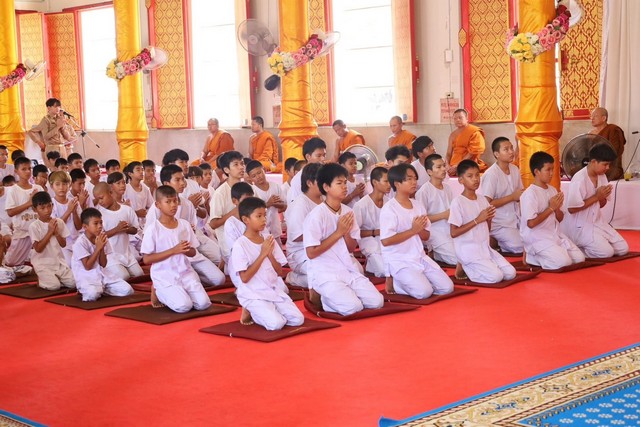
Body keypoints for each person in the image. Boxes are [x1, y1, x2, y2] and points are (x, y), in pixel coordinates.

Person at [303, 163, 384, 315]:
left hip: (346, 267)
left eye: (345, 183)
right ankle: (325, 299)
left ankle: (339, 295)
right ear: (326, 187)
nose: (344, 187)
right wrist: (338, 232)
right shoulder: (316, 216)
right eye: (339, 183)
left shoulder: (348, 212)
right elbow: (311, 253)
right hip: (325, 272)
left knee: (377, 302)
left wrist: (345, 232)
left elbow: (351, 248)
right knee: (352, 307)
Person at [380, 164, 453, 298]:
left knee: (447, 288)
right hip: (400, 260)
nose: (414, 182)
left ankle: (416, 281)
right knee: (424, 292)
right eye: (409, 179)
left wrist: (418, 230)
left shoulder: (418, 205)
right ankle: (398, 283)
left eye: (415, 178)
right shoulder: (389, 208)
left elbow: (426, 236)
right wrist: (413, 230)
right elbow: (386, 241)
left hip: (419, 257)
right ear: (397, 183)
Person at [231, 197, 304, 330]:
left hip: (272, 289)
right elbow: (245, 278)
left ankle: (268, 309)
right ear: (246, 219)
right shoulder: (240, 244)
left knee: (297, 319)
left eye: (264, 215)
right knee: (276, 324)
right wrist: (263, 254)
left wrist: (270, 255)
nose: (264, 219)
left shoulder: (268, 239)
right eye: (258, 216)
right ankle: (250, 309)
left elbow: (279, 272)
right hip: (253, 293)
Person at [146, 165, 225, 287]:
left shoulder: (187, 204)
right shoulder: (156, 208)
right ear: (166, 183)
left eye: (183, 179)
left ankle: (194, 277)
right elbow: (149, 235)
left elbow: (194, 227)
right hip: (169, 254)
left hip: (190, 249)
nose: (183, 183)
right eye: (177, 180)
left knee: (219, 279)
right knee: (189, 282)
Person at [141, 185, 212, 313]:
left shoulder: (184, 225)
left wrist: (186, 250)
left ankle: (179, 293)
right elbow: (146, 259)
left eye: (175, 201)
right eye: (168, 202)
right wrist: (174, 250)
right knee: (184, 306)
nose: (173, 205)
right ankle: (158, 290)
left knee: (204, 304)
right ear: (158, 205)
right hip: (165, 275)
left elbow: (193, 252)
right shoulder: (153, 229)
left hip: (185, 272)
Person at [448, 160, 516, 283]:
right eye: (470, 176)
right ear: (461, 180)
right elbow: (453, 233)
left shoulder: (482, 200)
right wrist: (477, 220)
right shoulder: (457, 202)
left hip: (484, 249)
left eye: (477, 175)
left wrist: (488, 219)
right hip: (468, 250)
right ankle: (464, 265)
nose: (475, 179)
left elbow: (486, 229)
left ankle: (471, 266)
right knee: (496, 277)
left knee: (510, 273)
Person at [561, 144, 629, 258]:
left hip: (597, 222)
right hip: (580, 226)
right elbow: (572, 209)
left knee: (623, 249)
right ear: (593, 162)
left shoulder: (602, 176)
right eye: (605, 164)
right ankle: (577, 251)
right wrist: (597, 197)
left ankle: (588, 246)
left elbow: (601, 205)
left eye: (609, 164)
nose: (607, 168)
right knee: (606, 253)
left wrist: (602, 197)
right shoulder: (579, 179)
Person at [520, 152, 585, 269]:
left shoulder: (553, 190)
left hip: (554, 234)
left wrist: (556, 209)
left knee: (579, 258)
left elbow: (559, 218)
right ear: (537, 172)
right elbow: (531, 223)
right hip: (537, 237)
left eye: (552, 169)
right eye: (548, 170)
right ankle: (532, 257)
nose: (551, 173)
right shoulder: (529, 194)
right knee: (563, 262)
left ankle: (548, 255)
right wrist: (551, 208)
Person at [72, 208, 134, 301]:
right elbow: (87, 267)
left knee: (128, 290)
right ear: (85, 227)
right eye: (96, 223)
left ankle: (102, 289)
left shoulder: (102, 238)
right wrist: (98, 248)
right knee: (92, 295)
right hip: (86, 276)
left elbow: (103, 264)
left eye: (101, 222)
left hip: (101, 273)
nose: (100, 226)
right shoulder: (80, 243)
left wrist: (101, 249)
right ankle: (85, 290)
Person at [479, 137, 524, 253]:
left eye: (511, 148)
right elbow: (486, 203)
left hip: (517, 220)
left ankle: (500, 242)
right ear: (497, 154)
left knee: (534, 242)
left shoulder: (515, 169)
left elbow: (519, 195)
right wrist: (512, 197)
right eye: (506, 149)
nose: (511, 152)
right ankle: (495, 240)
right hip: (499, 224)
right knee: (521, 247)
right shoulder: (491, 174)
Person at [93, 182, 144, 281]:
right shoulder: (99, 214)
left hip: (126, 253)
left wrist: (126, 229)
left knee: (139, 274)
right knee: (124, 276)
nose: (100, 202)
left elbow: (135, 230)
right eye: (97, 200)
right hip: (110, 255)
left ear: (111, 193)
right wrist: (117, 229)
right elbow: (98, 236)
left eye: (101, 198)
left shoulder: (127, 210)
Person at [284, 163, 323, 289]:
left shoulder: (324, 200)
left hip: (323, 248)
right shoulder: (300, 204)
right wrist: (328, 235)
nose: (325, 184)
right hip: (300, 253)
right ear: (309, 183)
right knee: (322, 277)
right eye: (321, 180)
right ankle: (294, 278)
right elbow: (297, 236)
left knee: (353, 270)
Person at [28, 191, 76, 291]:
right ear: (35, 209)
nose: (47, 210)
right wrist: (50, 232)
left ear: (52, 205)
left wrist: (57, 233)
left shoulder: (59, 222)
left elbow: (63, 244)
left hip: (58, 262)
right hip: (43, 263)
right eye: (42, 208)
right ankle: (42, 279)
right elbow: (38, 249)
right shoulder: (34, 226)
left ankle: (55, 278)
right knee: (54, 286)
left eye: (49, 206)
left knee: (74, 283)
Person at [415, 154, 457, 266]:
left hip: (450, 228)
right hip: (434, 231)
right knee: (458, 260)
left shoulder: (447, 188)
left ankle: (438, 253)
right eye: (438, 167)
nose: (444, 169)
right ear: (429, 172)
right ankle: (435, 251)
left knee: (470, 252)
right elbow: (421, 220)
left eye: (444, 165)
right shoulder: (424, 191)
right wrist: (443, 215)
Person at [4, 157, 45, 266]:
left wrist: (35, 205)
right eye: (24, 169)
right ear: (16, 171)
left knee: (43, 261)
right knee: (11, 263)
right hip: (22, 231)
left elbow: (45, 209)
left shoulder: (38, 188)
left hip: (38, 231)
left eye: (29, 168)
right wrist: (29, 203)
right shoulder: (13, 190)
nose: (27, 171)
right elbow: (10, 212)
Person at [353, 167, 390, 278]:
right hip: (369, 240)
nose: (389, 184)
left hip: (387, 239)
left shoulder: (389, 203)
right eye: (386, 181)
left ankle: (370, 265)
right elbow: (354, 232)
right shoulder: (361, 205)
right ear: (374, 182)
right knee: (384, 271)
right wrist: (375, 232)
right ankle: (372, 261)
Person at [210, 151, 246, 264]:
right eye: (236, 164)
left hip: (249, 238)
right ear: (226, 170)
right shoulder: (220, 193)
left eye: (242, 163)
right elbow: (213, 224)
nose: (241, 167)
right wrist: (234, 212)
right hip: (229, 243)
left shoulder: (249, 188)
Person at [246, 160, 286, 243]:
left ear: (264, 170)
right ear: (250, 178)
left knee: (278, 250)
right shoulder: (251, 191)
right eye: (254, 176)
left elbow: (284, 206)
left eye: (259, 172)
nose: (258, 177)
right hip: (260, 232)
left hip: (275, 229)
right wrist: (268, 203)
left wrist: (276, 204)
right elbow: (251, 211)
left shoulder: (275, 186)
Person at [49, 171, 82, 265]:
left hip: (76, 240)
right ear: (51, 186)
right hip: (61, 243)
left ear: (69, 185)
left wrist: (74, 212)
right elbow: (56, 226)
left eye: (64, 184)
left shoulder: (73, 202)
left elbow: (79, 227)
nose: (61, 187)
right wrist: (69, 211)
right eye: (57, 184)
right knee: (70, 264)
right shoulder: (51, 204)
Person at [445, 108, 487, 176]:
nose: (457, 120)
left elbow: (472, 153)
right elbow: (448, 153)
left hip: (469, 164)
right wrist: (447, 165)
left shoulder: (474, 131)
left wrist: (458, 165)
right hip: (453, 166)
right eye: (455, 118)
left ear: (466, 118)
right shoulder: (452, 135)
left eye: (460, 117)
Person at [589, 107, 626, 181]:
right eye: (591, 116)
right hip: (594, 167)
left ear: (604, 118)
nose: (592, 118)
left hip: (610, 168)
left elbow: (615, 151)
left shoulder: (613, 130)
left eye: (595, 116)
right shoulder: (590, 134)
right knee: (575, 171)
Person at [287, 137, 326, 203]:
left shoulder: (325, 174)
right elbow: (296, 203)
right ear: (308, 157)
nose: (323, 159)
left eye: (324, 155)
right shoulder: (298, 179)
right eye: (319, 156)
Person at [124, 161, 154, 227]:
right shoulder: (125, 188)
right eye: (138, 170)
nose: (141, 172)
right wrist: (136, 213)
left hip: (144, 224)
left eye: (142, 170)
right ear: (130, 174)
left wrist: (145, 212)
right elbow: (122, 208)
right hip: (130, 224)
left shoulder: (146, 189)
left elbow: (151, 206)